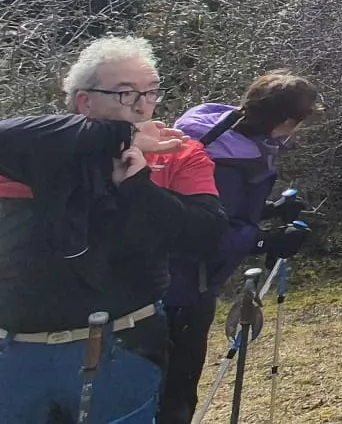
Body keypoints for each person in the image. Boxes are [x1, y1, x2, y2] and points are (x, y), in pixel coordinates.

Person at [0, 36, 226, 424]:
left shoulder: (177, 151)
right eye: (125, 93)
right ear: (84, 101)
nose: (142, 105)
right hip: (17, 352)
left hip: (123, 345)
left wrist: (137, 188)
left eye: (151, 92)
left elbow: (207, 234)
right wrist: (119, 138)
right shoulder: (36, 147)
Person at [160, 72, 320, 424]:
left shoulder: (224, 131)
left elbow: (222, 208)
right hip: (182, 287)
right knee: (173, 395)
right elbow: (209, 233)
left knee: (171, 390)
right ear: (286, 120)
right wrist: (267, 241)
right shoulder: (226, 159)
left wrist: (271, 209)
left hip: (179, 280)